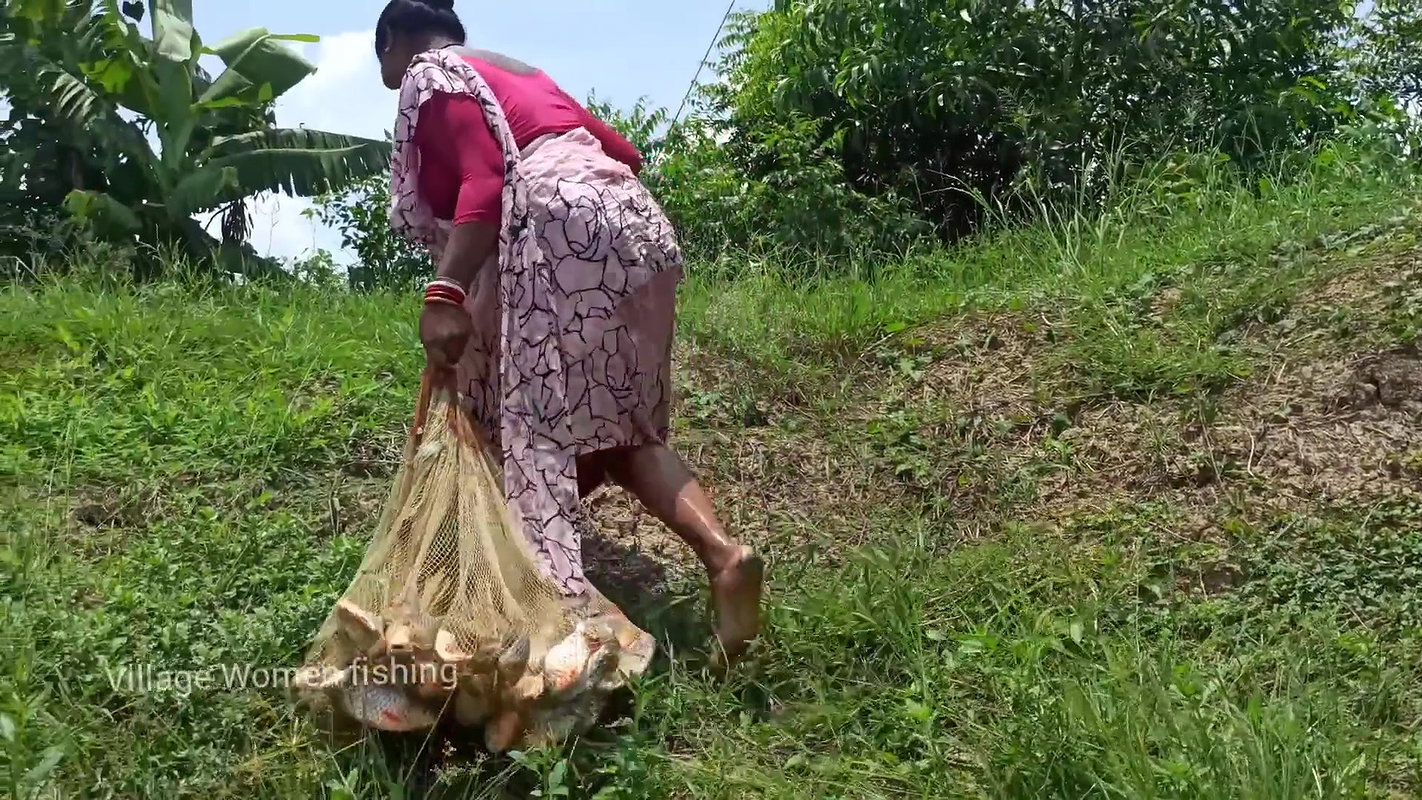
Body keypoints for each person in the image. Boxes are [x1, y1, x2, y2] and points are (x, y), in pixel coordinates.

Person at [374, 0, 763, 665]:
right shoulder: (519, 73)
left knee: (532, 422)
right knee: (617, 428)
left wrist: (445, 294)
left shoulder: (429, 73)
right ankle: (725, 557)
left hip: (557, 229)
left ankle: (533, 598)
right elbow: (624, 152)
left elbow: (484, 179)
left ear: (391, 41)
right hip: (631, 225)